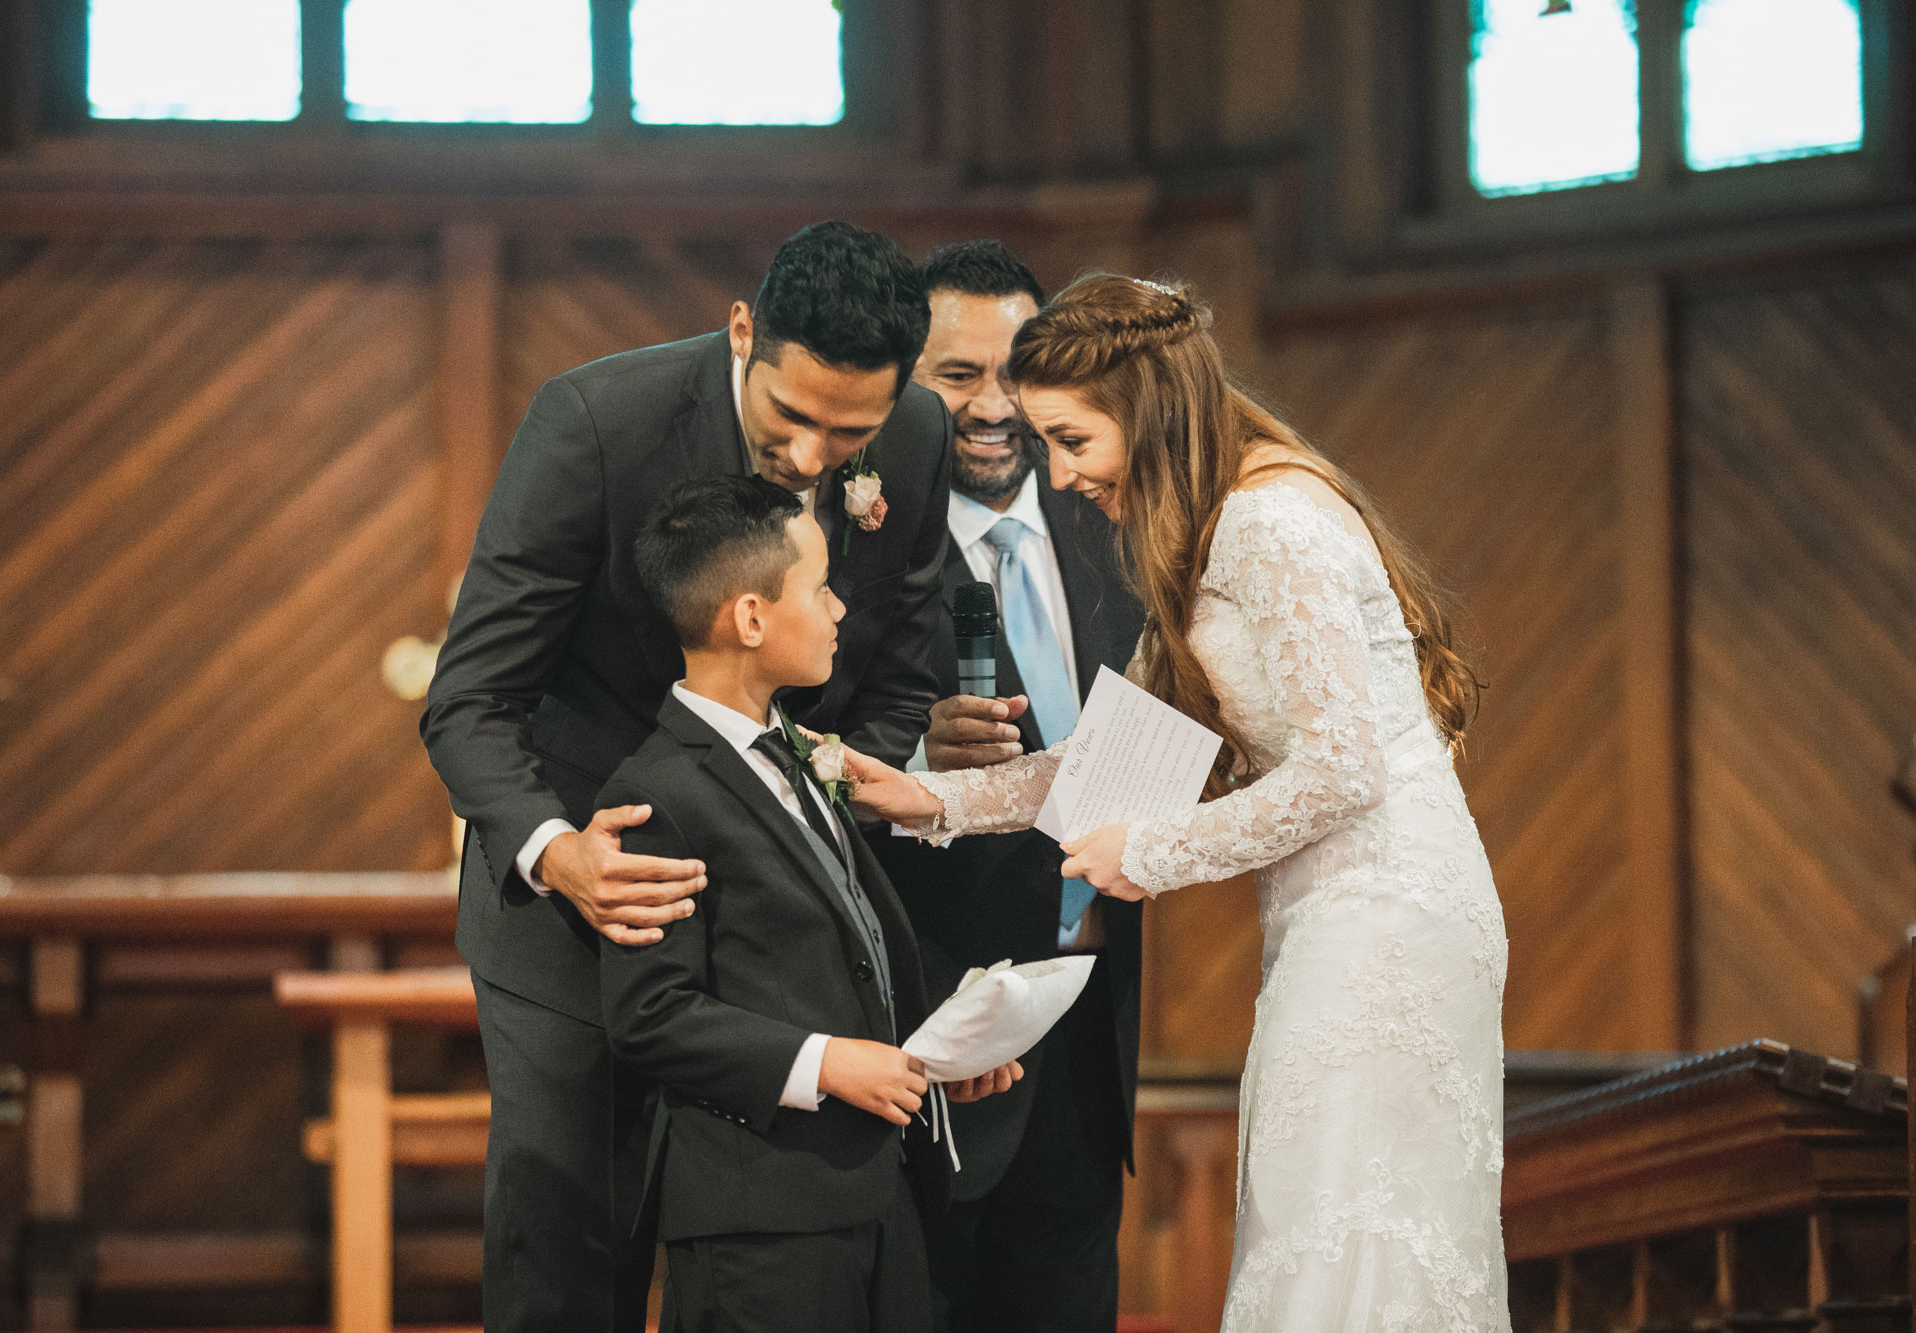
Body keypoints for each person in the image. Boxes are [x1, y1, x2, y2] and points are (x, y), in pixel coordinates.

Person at [847, 274, 1510, 1330]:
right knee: (1314, 1208)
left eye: (1070, 439)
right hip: (1337, 910)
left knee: (1342, 1216)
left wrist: (1147, 854)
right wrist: (924, 797)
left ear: (1146, 410)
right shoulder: (1209, 528)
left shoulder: (1266, 522)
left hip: (1386, 915)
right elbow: (1119, 756)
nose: (1058, 475)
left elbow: (1344, 771)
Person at [420, 222, 954, 1333]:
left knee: (787, 1271)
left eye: (845, 433)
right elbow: (470, 698)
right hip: (582, 916)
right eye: (790, 418)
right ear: (742, 331)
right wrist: (556, 852)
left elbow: (902, 676)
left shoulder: (911, 437)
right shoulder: (596, 423)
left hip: (788, 946)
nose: (813, 460)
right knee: (573, 1260)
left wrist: (824, 781)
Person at [600, 475, 1020, 1333]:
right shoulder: (657, 792)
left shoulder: (802, 753)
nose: (838, 611)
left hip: (873, 1191)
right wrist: (829, 1063)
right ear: (750, 618)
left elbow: (841, 950)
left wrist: (936, 1052)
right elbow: (651, 1013)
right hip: (761, 1217)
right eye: (822, 587)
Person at [871, 240, 1145, 1332]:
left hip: (1091, 1025)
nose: (992, 407)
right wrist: (911, 754)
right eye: (955, 376)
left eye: (1012, 374)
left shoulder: (1119, 528)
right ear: (904, 382)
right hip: (936, 1029)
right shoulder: (857, 552)